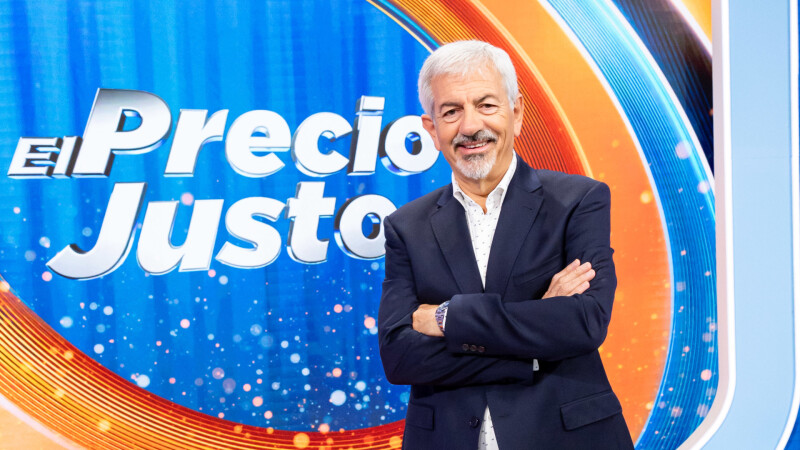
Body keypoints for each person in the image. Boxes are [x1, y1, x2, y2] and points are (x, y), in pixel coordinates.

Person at [377, 40, 634, 450]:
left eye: (486, 105)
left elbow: (584, 323)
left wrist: (447, 318)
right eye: (451, 111)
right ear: (432, 129)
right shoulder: (405, 226)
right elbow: (400, 356)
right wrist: (534, 341)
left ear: (516, 113)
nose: (469, 126)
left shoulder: (579, 200)